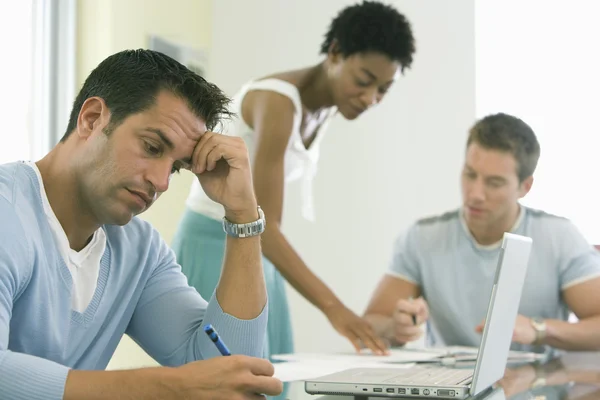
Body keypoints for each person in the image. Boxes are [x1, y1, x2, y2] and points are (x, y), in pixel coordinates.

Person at [0, 49, 283, 400]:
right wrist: (167, 387)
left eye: (177, 167)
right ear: (91, 119)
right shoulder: (7, 212)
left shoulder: (140, 252)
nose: (162, 181)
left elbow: (228, 367)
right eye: (151, 147)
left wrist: (242, 214)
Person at [172, 0, 416, 358]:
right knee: (228, 378)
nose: (371, 98)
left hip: (253, 243)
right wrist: (336, 309)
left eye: (383, 89)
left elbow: (266, 230)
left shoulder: (327, 104)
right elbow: (266, 231)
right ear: (335, 53)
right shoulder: (278, 102)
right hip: (216, 244)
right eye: (364, 81)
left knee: (271, 373)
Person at [364, 113, 600, 355]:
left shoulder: (558, 237)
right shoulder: (422, 238)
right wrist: (396, 327)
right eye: (470, 174)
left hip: (537, 386)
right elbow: (370, 325)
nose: (475, 193)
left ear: (525, 187)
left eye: (494, 183)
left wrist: (539, 329)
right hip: (450, 384)